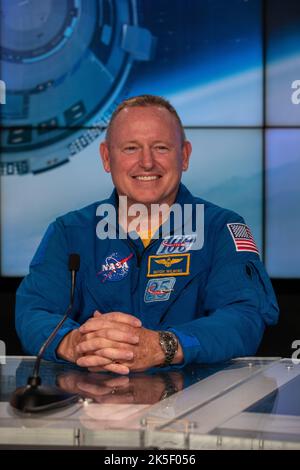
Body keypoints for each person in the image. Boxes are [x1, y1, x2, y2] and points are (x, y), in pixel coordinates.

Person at [15, 95, 279, 375]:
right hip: (91, 409)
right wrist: (74, 342)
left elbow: (245, 317)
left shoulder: (221, 229)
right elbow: (33, 311)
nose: (147, 162)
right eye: (130, 148)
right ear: (106, 157)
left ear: (185, 155)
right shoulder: (68, 233)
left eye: (161, 147)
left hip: (192, 408)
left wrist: (165, 346)